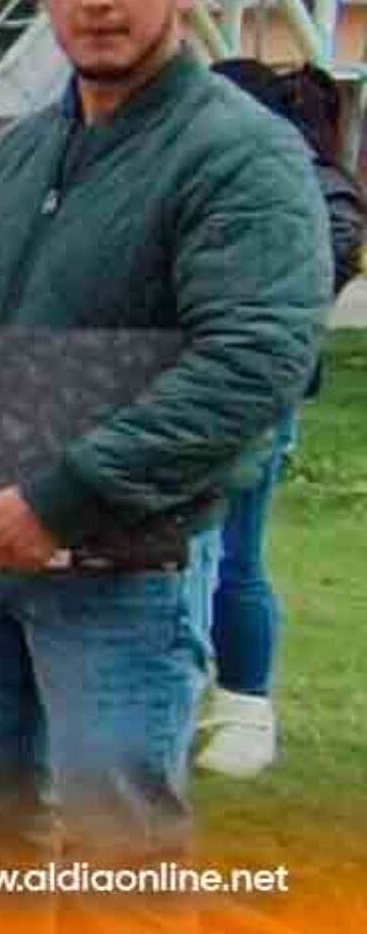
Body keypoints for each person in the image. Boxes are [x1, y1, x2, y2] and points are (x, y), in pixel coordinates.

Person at [0, 0, 328, 932]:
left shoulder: (239, 154)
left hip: (120, 570)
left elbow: (253, 361)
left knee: (118, 864)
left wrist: (58, 497)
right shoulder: (14, 154)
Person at [195, 58, 363, 778]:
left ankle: (245, 708)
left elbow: (311, 279)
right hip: (190, 386)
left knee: (233, 551)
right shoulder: (220, 176)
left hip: (257, 397)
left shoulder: (313, 188)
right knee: (187, 554)